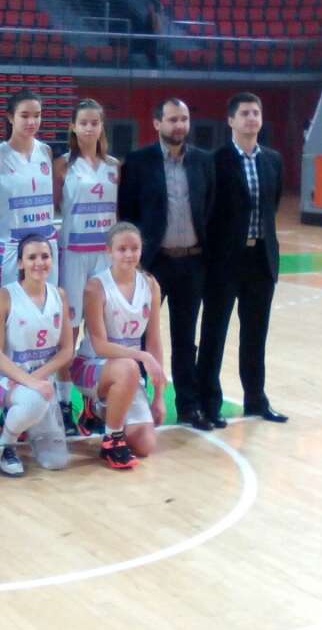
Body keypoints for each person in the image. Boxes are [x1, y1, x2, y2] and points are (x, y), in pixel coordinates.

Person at [117, 98, 214, 431]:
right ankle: (138, 402)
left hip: (192, 262)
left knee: (186, 339)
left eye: (184, 119)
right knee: (142, 336)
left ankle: (188, 405)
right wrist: (135, 262)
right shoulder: (138, 161)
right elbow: (128, 212)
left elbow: (210, 208)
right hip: (153, 265)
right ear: (157, 123)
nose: (179, 125)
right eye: (173, 119)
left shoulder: (203, 161)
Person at [195, 92, 289, 425]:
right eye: (245, 113)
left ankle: (256, 399)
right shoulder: (214, 160)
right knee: (214, 334)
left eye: (256, 113)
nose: (251, 118)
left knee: (255, 334)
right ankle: (208, 402)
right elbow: (207, 210)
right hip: (224, 261)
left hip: (261, 259)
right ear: (231, 120)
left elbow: (272, 206)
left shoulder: (273, 160)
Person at [69, 223, 167, 470]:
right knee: (129, 367)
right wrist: (141, 356)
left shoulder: (150, 285)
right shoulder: (96, 287)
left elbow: (154, 341)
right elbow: (101, 346)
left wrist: (159, 397)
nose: (129, 254)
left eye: (134, 248)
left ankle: (100, 410)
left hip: (126, 371)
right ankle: (111, 439)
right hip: (91, 365)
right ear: (108, 251)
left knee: (145, 445)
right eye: (122, 249)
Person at [53, 98, 119, 436]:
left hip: (104, 257)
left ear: (101, 126)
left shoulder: (114, 166)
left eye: (95, 122)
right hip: (73, 254)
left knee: (99, 331)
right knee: (71, 330)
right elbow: (52, 204)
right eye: (84, 123)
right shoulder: (62, 165)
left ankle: (91, 400)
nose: (90, 128)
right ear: (73, 127)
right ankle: (63, 404)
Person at [0, 234, 73, 477]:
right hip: (4, 379)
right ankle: (5, 445)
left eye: (45, 256)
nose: (39, 262)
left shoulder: (59, 295)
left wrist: (36, 379)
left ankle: (21, 419)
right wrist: (29, 381)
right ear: (20, 263)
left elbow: (67, 349)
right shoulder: (3, 297)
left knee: (56, 462)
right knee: (34, 400)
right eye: (32, 257)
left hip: (41, 383)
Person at [0, 89, 59, 296]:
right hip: (11, 246)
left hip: (45, 245)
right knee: (5, 307)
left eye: (37, 115)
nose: (31, 122)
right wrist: (5, 212)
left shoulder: (46, 151)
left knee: (45, 305)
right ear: (10, 117)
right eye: (24, 116)